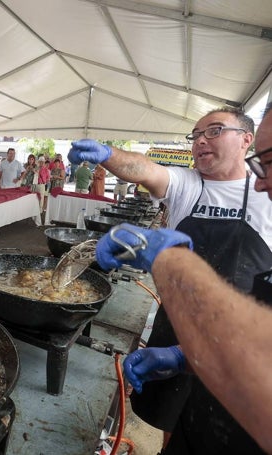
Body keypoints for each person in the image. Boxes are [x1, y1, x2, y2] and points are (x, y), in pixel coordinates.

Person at [69, 106, 272, 452]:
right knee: (180, 421)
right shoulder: (189, 184)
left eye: (214, 131)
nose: (200, 141)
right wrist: (107, 154)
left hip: (246, 341)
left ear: (246, 140)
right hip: (180, 328)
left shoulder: (263, 193)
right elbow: (144, 169)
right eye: (195, 135)